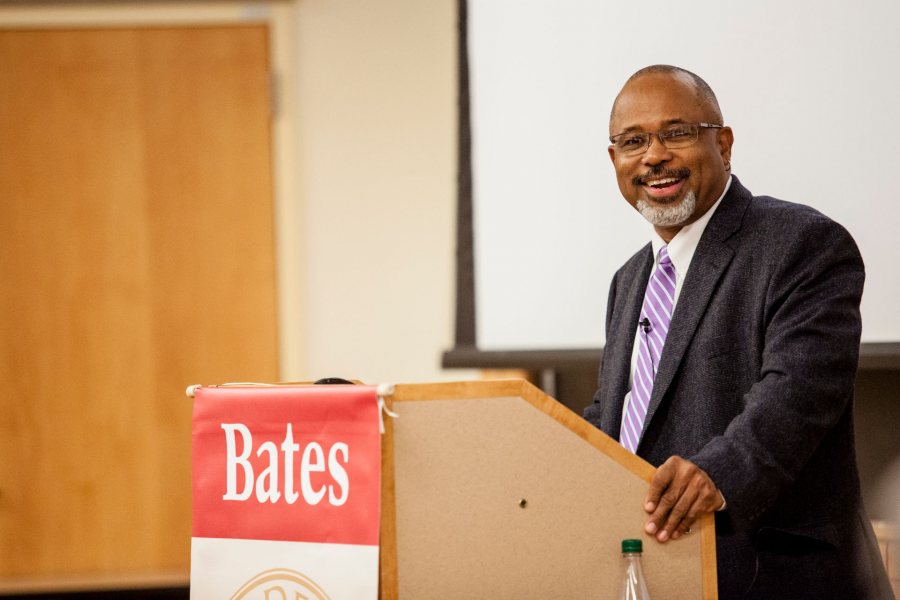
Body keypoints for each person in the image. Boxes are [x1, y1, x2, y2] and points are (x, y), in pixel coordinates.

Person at [583, 65, 893, 599]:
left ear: (723, 145)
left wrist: (716, 474)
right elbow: (618, 417)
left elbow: (797, 395)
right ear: (615, 161)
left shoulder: (801, 243)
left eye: (676, 133)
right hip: (655, 576)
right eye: (633, 141)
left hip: (773, 576)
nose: (654, 155)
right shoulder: (628, 281)